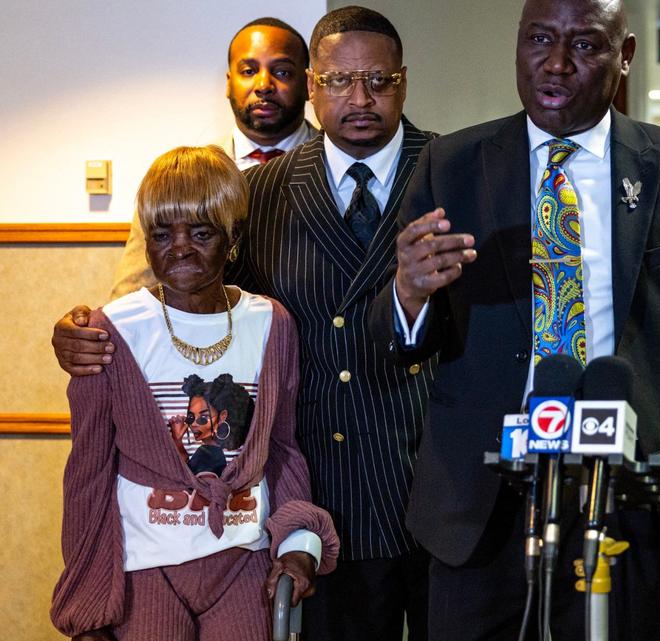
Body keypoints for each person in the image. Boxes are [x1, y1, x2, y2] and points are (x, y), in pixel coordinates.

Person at [367, 0, 660, 639]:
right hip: (482, 497)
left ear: (624, 56)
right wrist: (409, 294)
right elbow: (397, 340)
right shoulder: (451, 164)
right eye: (538, 40)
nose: (555, 63)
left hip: (629, 488)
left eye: (584, 45)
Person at [52, 7, 434, 640]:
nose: (185, 247)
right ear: (320, 86)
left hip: (405, 484)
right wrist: (87, 335)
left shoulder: (447, 166)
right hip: (262, 499)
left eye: (378, 80)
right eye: (339, 81)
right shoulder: (238, 188)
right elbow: (134, 312)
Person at [50, 146, 338, 641]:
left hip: (241, 562)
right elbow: (88, 474)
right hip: (146, 568)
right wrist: (87, 606)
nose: (179, 248)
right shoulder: (111, 329)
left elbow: (284, 450)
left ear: (233, 239)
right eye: (162, 234)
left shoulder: (271, 324)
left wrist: (296, 541)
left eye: (201, 233)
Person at [111, 17, 319, 299]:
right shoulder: (179, 178)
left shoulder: (337, 166)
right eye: (248, 71)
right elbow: (134, 289)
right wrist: (101, 334)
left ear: (308, 85)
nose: (263, 85)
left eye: (281, 72)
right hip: (210, 339)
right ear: (229, 83)